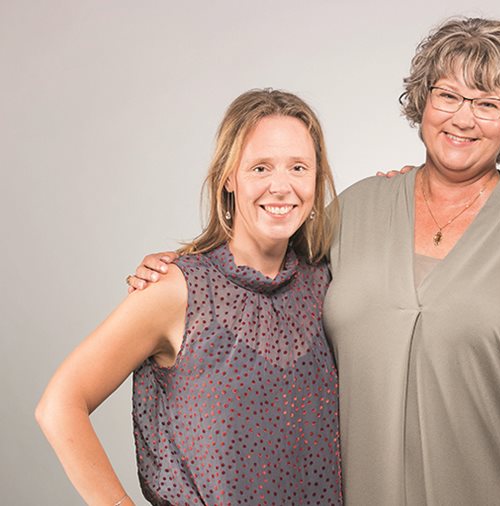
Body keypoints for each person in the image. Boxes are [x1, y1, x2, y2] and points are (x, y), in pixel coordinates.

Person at [130, 18, 500, 505]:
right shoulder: (356, 212)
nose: (463, 119)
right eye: (448, 96)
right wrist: (187, 269)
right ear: (422, 101)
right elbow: (259, 271)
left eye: (487, 104)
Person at [36, 89, 342, 505]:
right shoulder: (177, 288)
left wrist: (404, 183)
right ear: (228, 177)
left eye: (299, 167)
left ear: (317, 178)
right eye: (260, 167)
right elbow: (59, 405)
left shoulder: (327, 283)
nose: (281, 186)